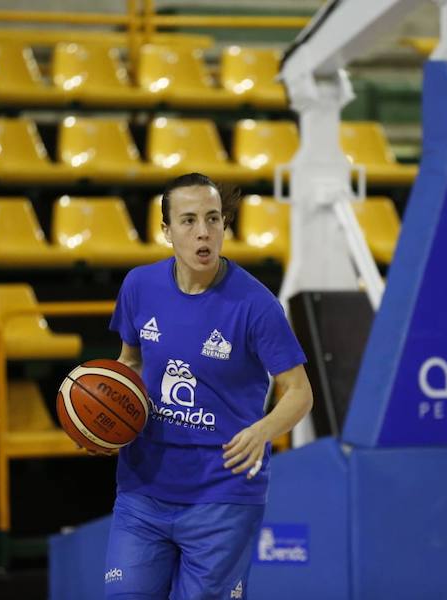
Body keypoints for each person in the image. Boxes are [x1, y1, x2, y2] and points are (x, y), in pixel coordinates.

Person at [104, 172, 313, 599]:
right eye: (188, 220)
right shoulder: (139, 286)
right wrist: (107, 420)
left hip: (223, 491)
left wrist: (262, 431)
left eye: (213, 218)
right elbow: (130, 361)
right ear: (166, 231)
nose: (204, 231)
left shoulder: (256, 305)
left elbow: (299, 391)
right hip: (144, 487)